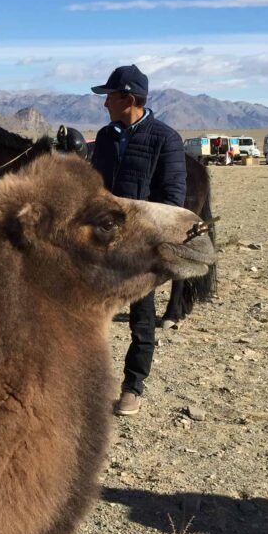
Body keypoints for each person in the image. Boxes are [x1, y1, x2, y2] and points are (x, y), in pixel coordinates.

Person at [90, 65, 186, 416]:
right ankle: (89, 384)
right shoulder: (104, 137)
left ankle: (133, 386)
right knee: (91, 315)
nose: (105, 105)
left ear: (128, 98)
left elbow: (172, 198)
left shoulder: (166, 139)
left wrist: (142, 236)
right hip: (101, 245)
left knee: (142, 318)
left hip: (140, 247)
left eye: (110, 97)